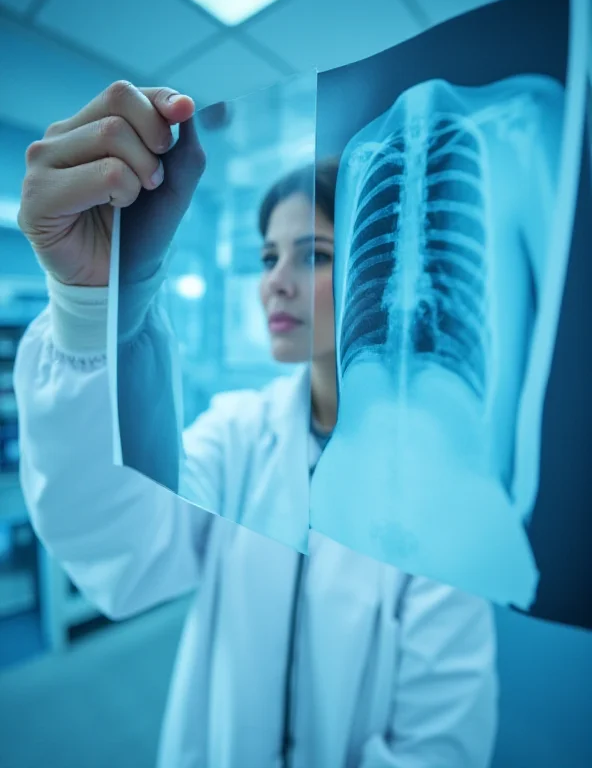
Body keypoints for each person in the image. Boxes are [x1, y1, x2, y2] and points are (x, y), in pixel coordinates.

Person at [14, 82, 498, 768]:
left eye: (314, 255)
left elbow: (440, 745)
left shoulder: (441, 494)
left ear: (383, 274)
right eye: (269, 258)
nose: (274, 280)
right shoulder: (243, 432)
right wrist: (90, 306)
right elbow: (125, 557)